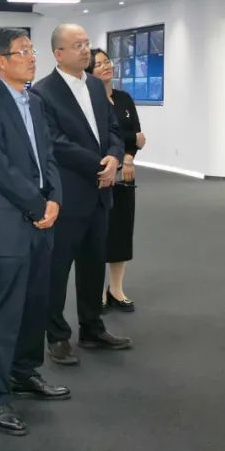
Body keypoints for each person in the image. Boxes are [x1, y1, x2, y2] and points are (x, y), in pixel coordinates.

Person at [0, 28, 69, 437]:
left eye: (31, 50)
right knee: (5, 311)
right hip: (6, 223)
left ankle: (24, 372)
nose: (31, 57)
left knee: (35, 303)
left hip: (42, 218)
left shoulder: (36, 101)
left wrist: (55, 199)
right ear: (1, 61)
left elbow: (49, 156)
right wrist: (37, 205)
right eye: (23, 52)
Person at [30, 24, 129, 366]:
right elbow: (54, 142)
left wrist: (114, 157)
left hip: (100, 193)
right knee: (58, 269)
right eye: (77, 45)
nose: (86, 50)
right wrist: (100, 165)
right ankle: (57, 335)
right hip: (68, 194)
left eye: (87, 44)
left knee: (93, 264)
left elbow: (113, 129)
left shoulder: (96, 87)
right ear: (58, 54)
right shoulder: (42, 92)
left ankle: (92, 328)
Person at [86, 48, 145, 313]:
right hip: (99, 175)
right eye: (98, 64)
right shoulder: (89, 101)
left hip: (125, 175)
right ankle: (97, 291)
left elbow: (138, 136)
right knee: (99, 234)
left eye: (107, 61)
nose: (106, 66)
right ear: (89, 72)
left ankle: (116, 289)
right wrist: (130, 142)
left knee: (121, 231)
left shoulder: (124, 99)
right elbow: (103, 140)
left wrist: (129, 156)